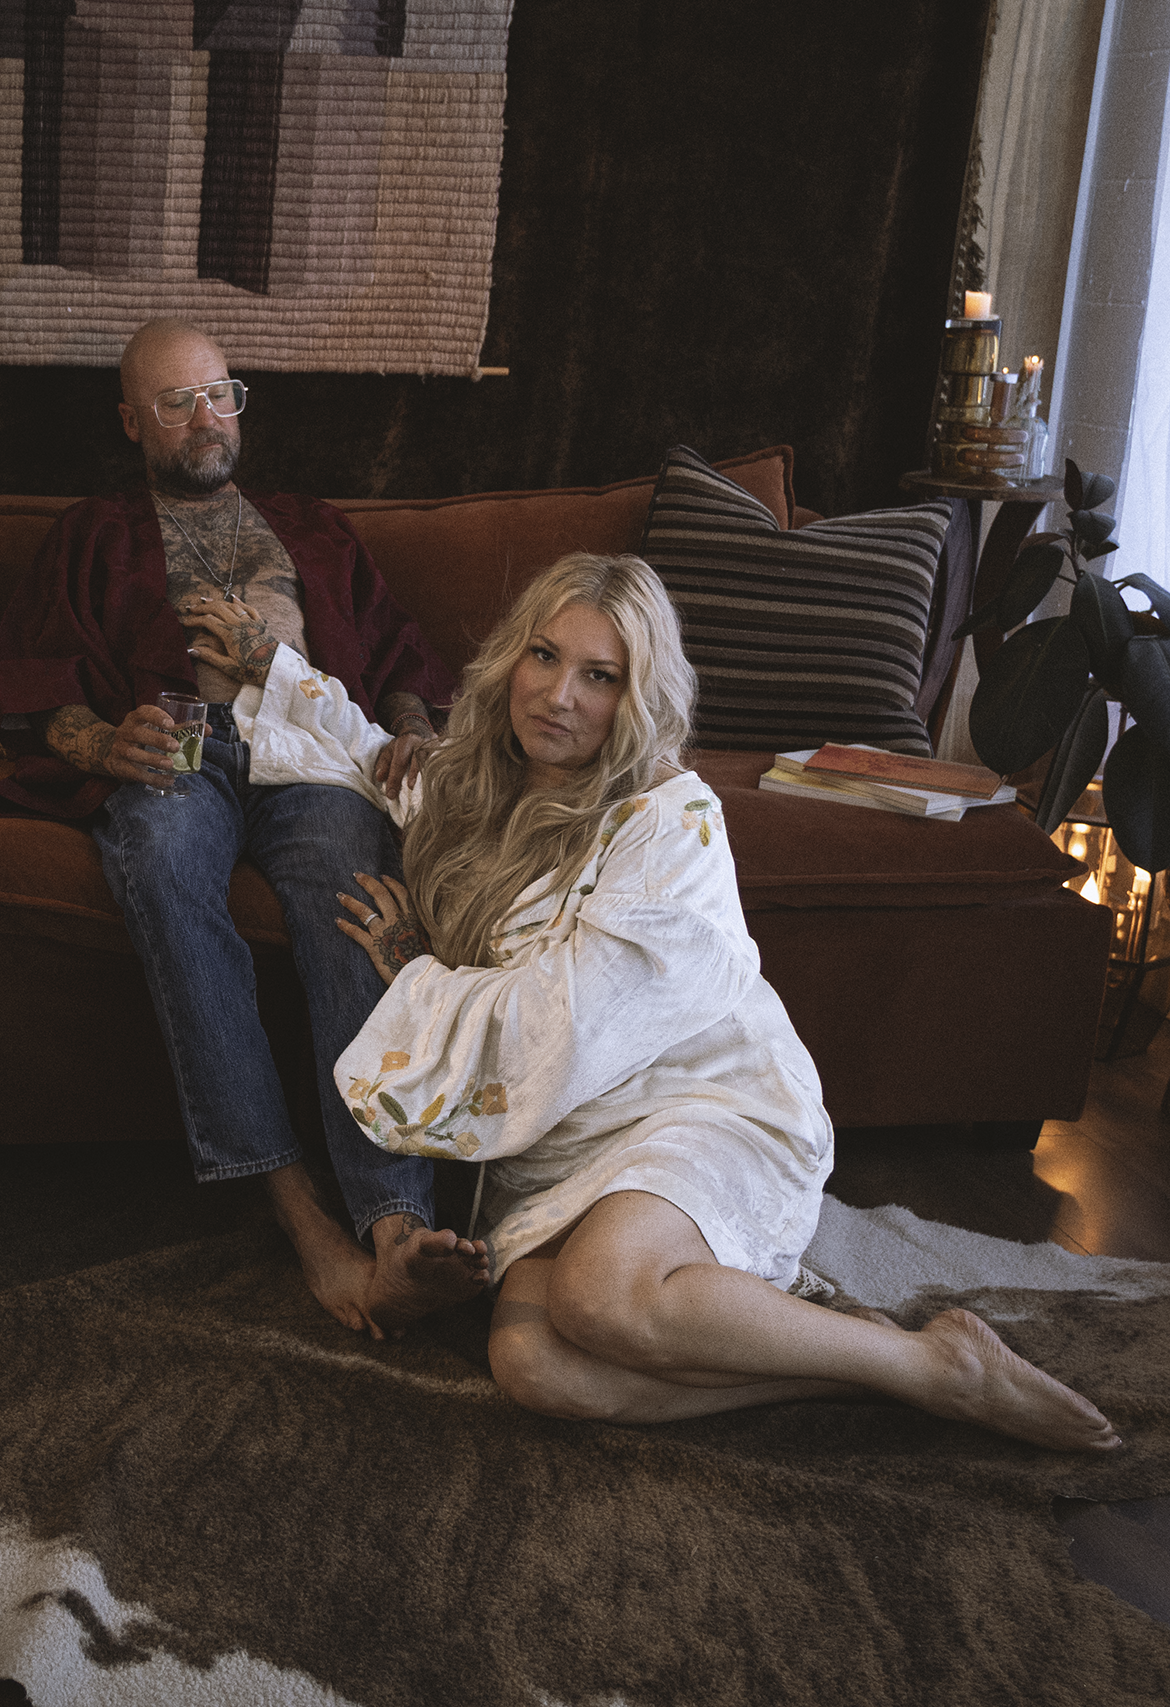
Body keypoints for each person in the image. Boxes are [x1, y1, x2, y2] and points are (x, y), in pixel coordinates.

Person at [314, 550, 1119, 1452]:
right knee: (538, 1367)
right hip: (561, 1144)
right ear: (511, 658)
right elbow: (324, 739)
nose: (558, 695)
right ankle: (871, 1373)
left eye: (600, 676)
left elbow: (572, 1025)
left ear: (639, 694)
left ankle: (944, 1366)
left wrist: (418, 975)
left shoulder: (669, 816)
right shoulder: (464, 793)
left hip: (701, 1104)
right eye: (544, 656)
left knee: (596, 1298)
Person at [0, 318, 489, 1336]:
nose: (208, 417)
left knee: (355, 903)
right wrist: (99, 747)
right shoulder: (91, 531)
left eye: (222, 393)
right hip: (183, 745)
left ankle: (396, 1226)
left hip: (316, 756)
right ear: (131, 420)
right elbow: (30, 691)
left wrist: (419, 733)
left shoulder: (314, 525)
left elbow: (398, 657)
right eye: (178, 401)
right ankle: (303, 1220)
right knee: (164, 864)